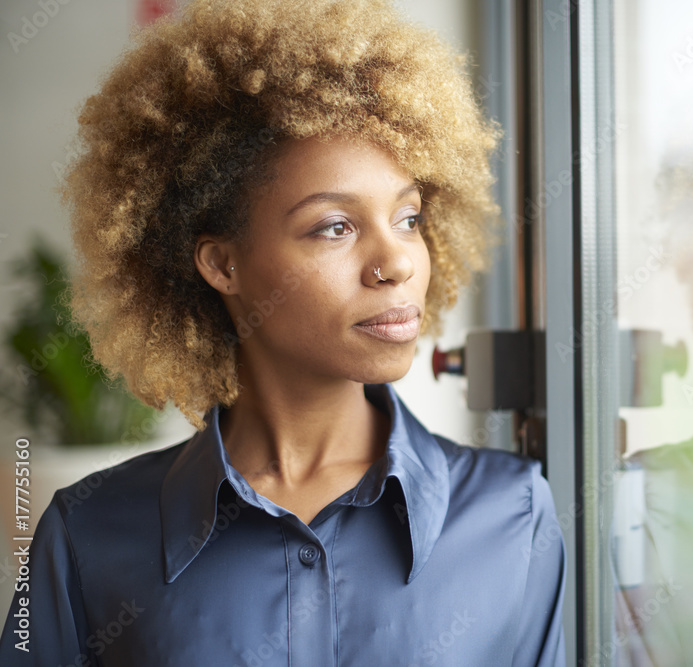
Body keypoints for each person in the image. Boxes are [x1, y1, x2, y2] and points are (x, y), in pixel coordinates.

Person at [0, 0, 567, 665]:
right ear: (222, 263)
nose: (399, 262)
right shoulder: (88, 536)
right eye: (336, 226)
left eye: (409, 218)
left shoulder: (511, 517)